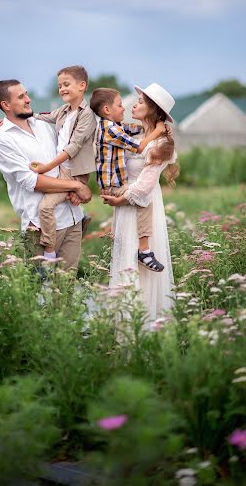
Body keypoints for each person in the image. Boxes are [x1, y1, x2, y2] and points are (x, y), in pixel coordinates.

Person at [0, 79, 92, 270]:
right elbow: (33, 181)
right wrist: (76, 187)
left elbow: (70, 154)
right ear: (5, 105)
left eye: (27, 94)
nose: (28, 100)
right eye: (21, 97)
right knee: (42, 293)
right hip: (40, 227)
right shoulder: (3, 140)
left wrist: (74, 188)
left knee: (67, 288)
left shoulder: (43, 125)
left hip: (72, 218)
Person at [101, 83, 179, 325]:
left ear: (153, 109)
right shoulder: (134, 134)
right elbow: (95, 124)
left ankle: (145, 326)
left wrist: (120, 198)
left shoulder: (160, 145)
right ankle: (124, 325)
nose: (133, 105)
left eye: (141, 102)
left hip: (141, 203)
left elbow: (145, 185)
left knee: (140, 266)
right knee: (125, 260)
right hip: (125, 204)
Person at [90, 87, 167, 272]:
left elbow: (135, 130)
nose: (125, 107)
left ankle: (143, 250)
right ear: (107, 110)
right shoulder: (111, 129)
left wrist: (155, 129)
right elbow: (140, 147)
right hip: (119, 189)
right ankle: (144, 251)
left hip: (123, 189)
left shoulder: (116, 127)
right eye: (119, 105)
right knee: (144, 201)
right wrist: (157, 130)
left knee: (144, 200)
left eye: (140, 102)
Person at [28, 65, 97, 260]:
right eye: (59, 86)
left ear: (82, 85)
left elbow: (74, 147)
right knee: (53, 195)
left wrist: (47, 166)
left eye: (66, 84)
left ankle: (49, 250)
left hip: (73, 172)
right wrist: (12, 119)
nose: (62, 89)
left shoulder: (87, 115)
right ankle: (77, 207)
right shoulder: (64, 110)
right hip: (62, 170)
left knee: (45, 207)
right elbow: (45, 117)